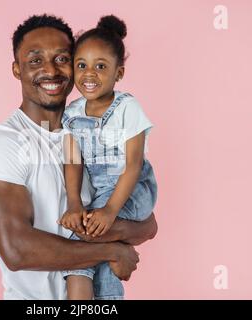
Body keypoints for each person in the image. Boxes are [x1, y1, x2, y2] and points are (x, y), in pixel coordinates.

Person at [0, 14, 158, 300]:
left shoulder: (100, 133)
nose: (50, 70)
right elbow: (16, 249)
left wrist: (108, 225)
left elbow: (148, 225)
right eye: (35, 60)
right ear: (16, 69)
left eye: (61, 59)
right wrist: (112, 248)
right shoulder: (4, 143)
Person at [59, 15, 158, 300]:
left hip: (131, 191)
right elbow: (73, 161)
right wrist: (74, 204)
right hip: (102, 195)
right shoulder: (73, 114)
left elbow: (133, 165)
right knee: (92, 254)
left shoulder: (127, 107)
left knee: (79, 243)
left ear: (119, 73)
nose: (89, 74)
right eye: (82, 65)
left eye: (101, 66)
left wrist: (110, 211)